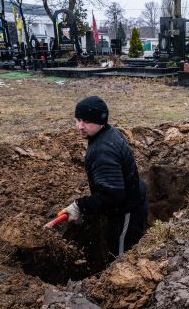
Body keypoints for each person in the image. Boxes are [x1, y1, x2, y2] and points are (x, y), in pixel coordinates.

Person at [59, 96, 148, 261]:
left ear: (101, 121)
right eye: (77, 120)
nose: (79, 126)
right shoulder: (107, 133)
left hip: (126, 212)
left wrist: (79, 206)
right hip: (128, 203)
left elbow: (112, 195)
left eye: (86, 121)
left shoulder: (103, 151)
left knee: (122, 260)